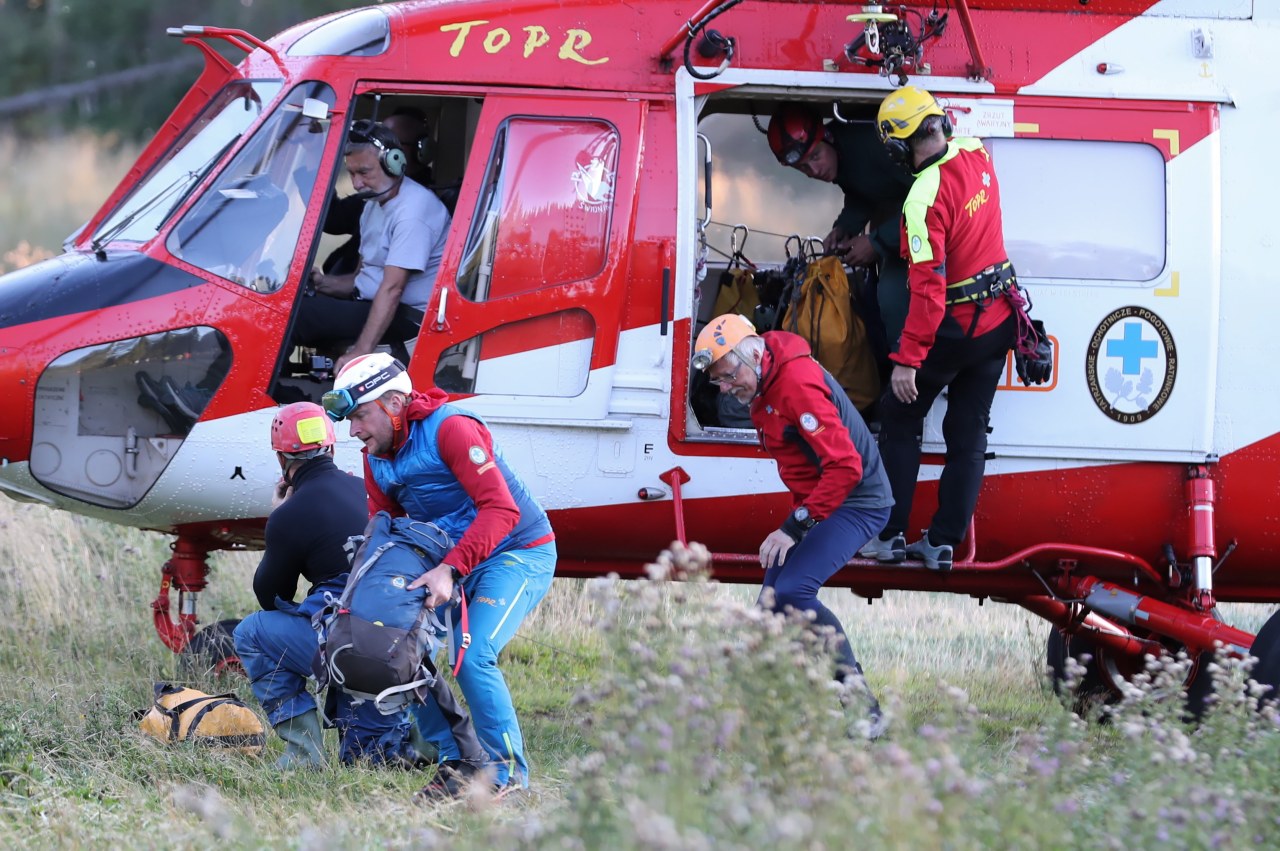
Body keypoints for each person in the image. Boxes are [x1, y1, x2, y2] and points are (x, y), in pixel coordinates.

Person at [321, 353, 557, 790]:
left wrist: (450, 569)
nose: (353, 430)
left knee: (472, 656)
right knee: (398, 651)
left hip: (517, 551)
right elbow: (384, 533)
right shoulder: (376, 456)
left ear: (394, 404)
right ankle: (459, 765)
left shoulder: (451, 427)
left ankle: (509, 779)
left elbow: (501, 509)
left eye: (359, 416)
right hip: (450, 563)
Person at [691, 313, 892, 737]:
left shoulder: (794, 383)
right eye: (718, 383)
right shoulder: (764, 381)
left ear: (754, 354)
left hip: (858, 501)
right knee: (769, 606)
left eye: (728, 377)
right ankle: (764, 712)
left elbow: (845, 468)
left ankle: (862, 705)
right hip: (823, 499)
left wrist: (795, 526)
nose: (726, 389)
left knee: (793, 592)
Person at [858, 86, 1017, 572]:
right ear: (939, 123)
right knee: (968, 434)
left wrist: (907, 360)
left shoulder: (921, 199)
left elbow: (928, 290)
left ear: (897, 147)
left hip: (953, 331)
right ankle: (943, 542)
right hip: (999, 323)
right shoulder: (976, 152)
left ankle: (888, 536)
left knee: (900, 420)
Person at [232, 402, 422, 768]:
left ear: (281, 460)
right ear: (332, 448)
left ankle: (304, 753)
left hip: (353, 642)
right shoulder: (368, 488)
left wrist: (279, 517)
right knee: (369, 755)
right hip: (405, 643)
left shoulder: (290, 513)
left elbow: (271, 598)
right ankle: (416, 736)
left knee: (252, 633)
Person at [292, 119, 450, 372]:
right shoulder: (373, 203)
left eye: (364, 172)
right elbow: (362, 277)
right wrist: (322, 283)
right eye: (352, 173)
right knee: (289, 303)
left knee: (298, 317)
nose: (356, 184)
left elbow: (392, 289)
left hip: (408, 316)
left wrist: (360, 352)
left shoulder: (413, 212)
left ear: (394, 164)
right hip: (377, 304)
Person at [767, 102, 914, 353]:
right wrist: (844, 227)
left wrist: (877, 243)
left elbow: (936, 200)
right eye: (803, 167)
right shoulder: (842, 159)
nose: (814, 170)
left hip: (928, 241)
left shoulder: (875, 144)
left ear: (829, 137)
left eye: (815, 156)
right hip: (899, 232)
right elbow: (865, 191)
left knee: (891, 296)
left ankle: (905, 375)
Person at [322, 107, 437, 276]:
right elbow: (332, 219)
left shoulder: (415, 203)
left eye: (390, 143)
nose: (357, 184)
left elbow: (391, 290)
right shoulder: (375, 195)